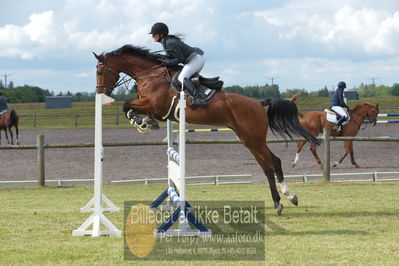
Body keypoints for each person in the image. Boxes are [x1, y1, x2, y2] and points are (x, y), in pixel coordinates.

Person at [149, 22, 207, 109]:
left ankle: (199, 98)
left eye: (154, 34)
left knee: (182, 78)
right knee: (189, 79)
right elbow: (171, 56)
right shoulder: (165, 42)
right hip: (193, 58)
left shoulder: (170, 43)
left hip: (196, 58)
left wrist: (165, 62)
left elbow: (180, 60)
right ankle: (201, 94)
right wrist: (159, 57)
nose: (152, 36)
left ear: (161, 34)